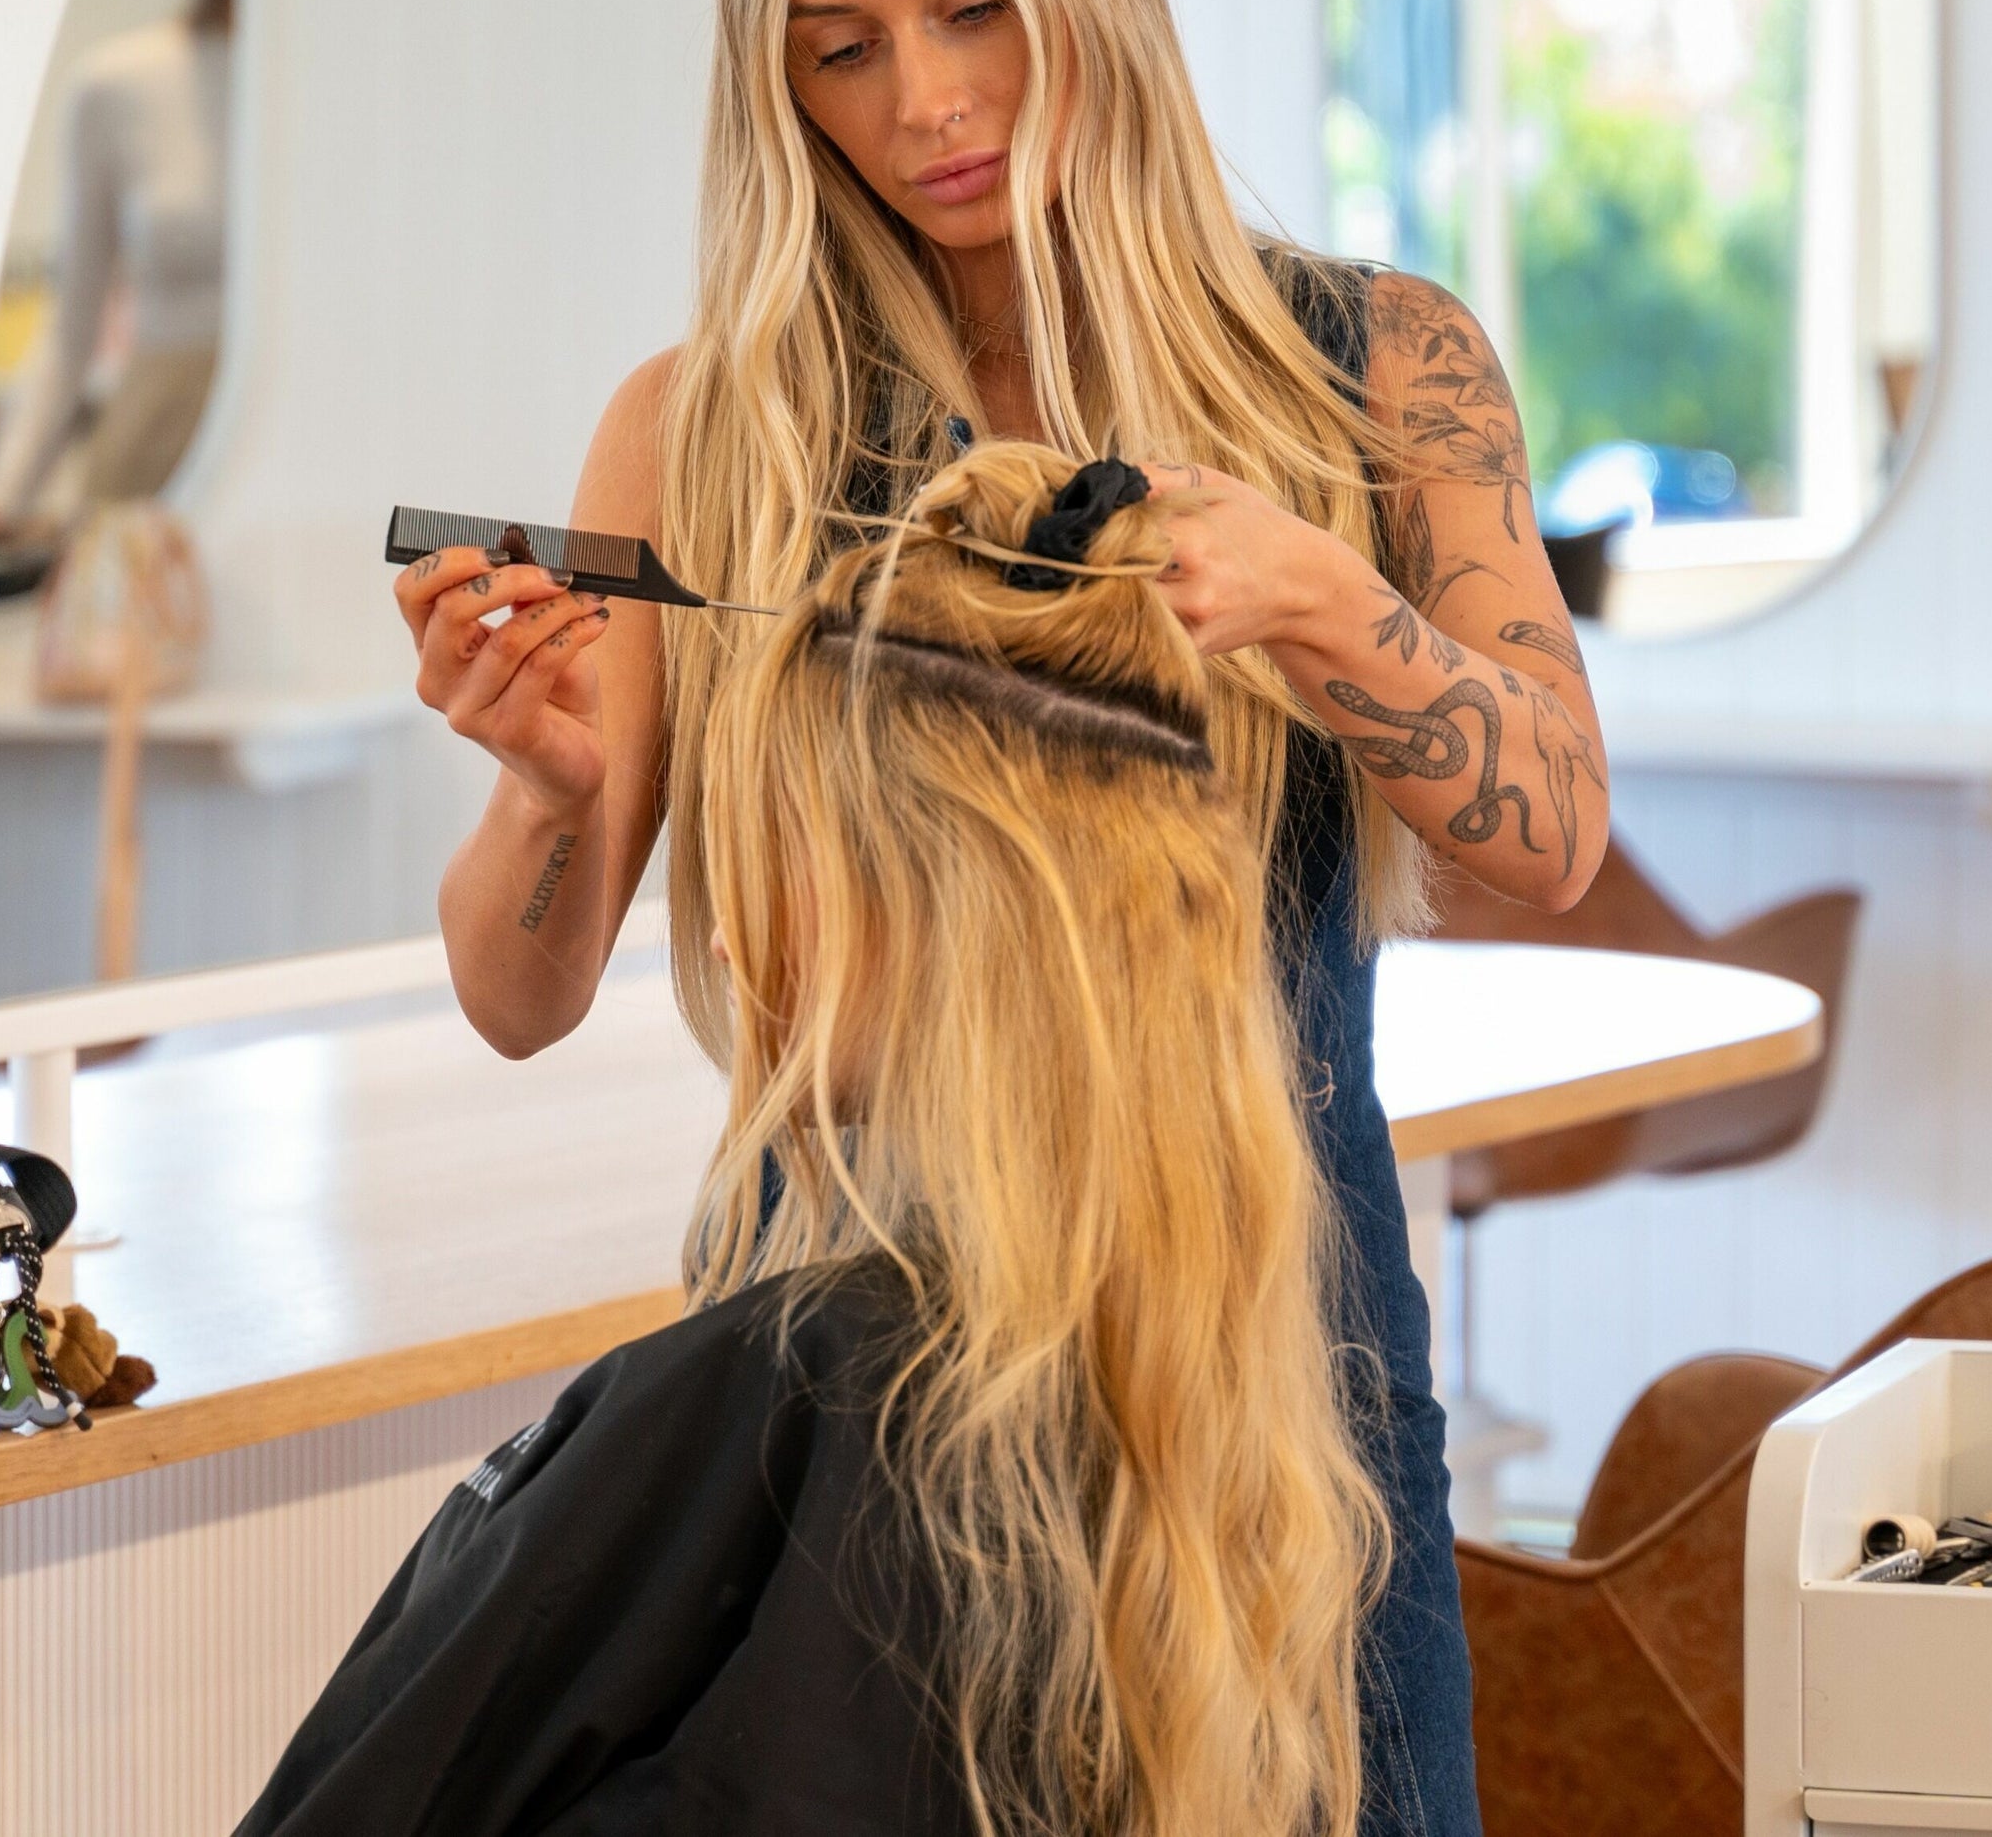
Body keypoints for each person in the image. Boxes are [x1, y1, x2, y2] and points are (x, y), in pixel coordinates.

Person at [389, 0, 1613, 1833]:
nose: (927, 103)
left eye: (973, 10)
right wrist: (552, 792)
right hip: (857, 1405)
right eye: (840, 50)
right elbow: (519, 991)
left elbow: (1556, 831)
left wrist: (1330, 607)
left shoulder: (1372, 370)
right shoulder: (710, 430)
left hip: (1278, 1396)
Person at [259, 446, 1381, 1835]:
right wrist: (551, 796)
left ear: (927, 913)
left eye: (774, 854)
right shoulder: (1208, 1423)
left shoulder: (794, 1388)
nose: (729, 940)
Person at [0, 0, 237, 533]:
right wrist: (3, 495)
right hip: (153, 458)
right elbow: (73, 326)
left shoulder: (349, 100)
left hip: (311, 475)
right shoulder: (123, 84)